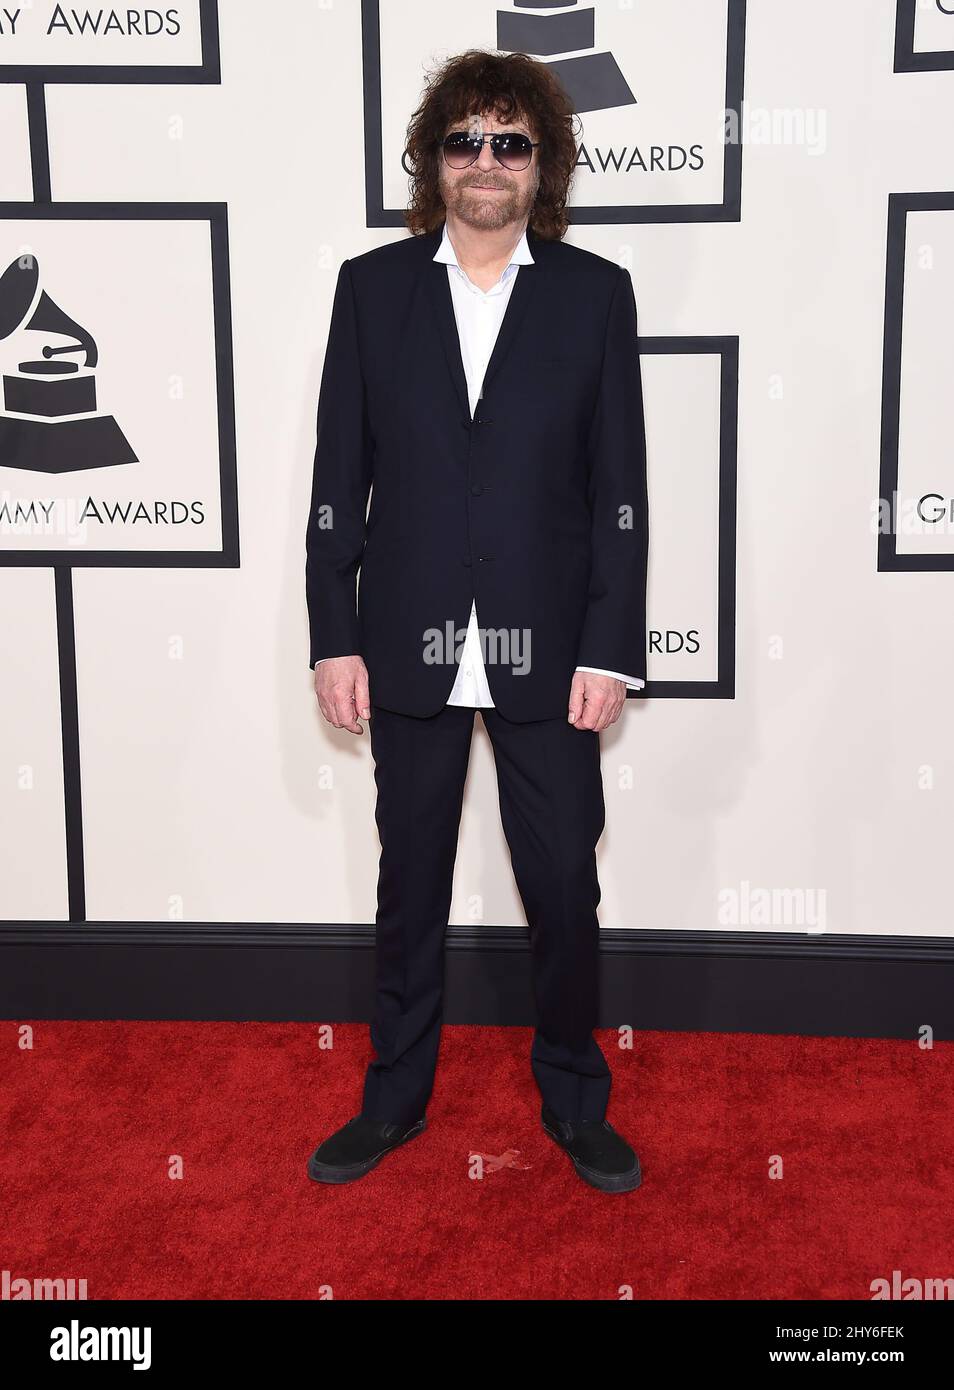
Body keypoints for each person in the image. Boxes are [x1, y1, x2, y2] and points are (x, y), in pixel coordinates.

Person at [304, 50, 649, 1193]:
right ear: (433, 160)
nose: (486, 163)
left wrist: (610, 643)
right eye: (465, 141)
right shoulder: (372, 289)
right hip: (403, 638)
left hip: (550, 650)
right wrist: (332, 631)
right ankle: (394, 1100)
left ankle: (575, 1100)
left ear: (541, 163)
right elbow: (336, 476)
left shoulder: (595, 294)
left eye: (511, 142)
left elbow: (619, 488)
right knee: (409, 885)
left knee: (562, 886)